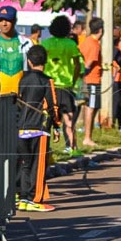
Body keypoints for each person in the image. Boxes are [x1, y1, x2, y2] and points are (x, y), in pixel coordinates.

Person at [15, 45, 61, 212]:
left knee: (25, 164)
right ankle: (35, 198)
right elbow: (53, 106)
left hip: (22, 127)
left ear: (29, 61)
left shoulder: (23, 79)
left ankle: (23, 197)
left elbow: (20, 102)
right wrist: (57, 126)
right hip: (40, 128)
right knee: (38, 166)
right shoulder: (47, 81)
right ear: (45, 62)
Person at [41, 15, 82, 152]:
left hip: (49, 87)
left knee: (46, 120)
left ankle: (45, 149)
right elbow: (77, 65)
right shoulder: (71, 44)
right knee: (69, 121)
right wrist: (74, 80)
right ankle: (72, 148)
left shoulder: (45, 43)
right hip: (66, 87)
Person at [0, 6, 32, 95]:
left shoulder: (27, 43)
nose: (4, 23)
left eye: (7, 20)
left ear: (15, 21)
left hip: (20, 97)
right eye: (1, 20)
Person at [79, 17, 105, 148]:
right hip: (92, 80)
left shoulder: (86, 41)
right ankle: (87, 137)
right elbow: (88, 63)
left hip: (89, 80)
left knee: (90, 107)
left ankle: (88, 135)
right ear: (100, 30)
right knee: (91, 108)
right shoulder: (94, 44)